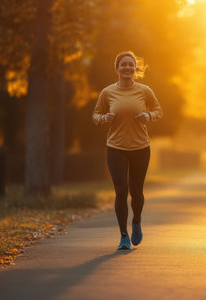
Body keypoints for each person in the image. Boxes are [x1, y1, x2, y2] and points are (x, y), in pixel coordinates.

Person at [92, 51, 163, 250]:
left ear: (135, 69)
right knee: (121, 191)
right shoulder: (107, 92)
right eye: (123, 65)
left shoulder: (145, 90)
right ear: (117, 68)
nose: (127, 68)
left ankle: (136, 221)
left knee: (136, 192)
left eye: (131, 65)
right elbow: (96, 115)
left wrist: (148, 116)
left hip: (140, 147)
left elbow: (158, 110)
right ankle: (123, 235)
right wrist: (103, 119)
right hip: (115, 147)